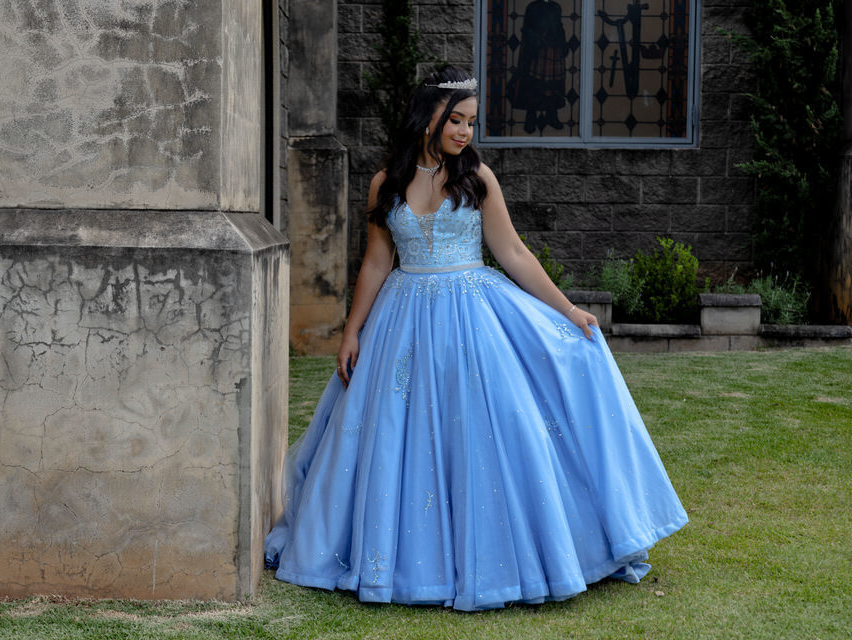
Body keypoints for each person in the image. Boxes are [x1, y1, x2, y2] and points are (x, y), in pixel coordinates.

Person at [264, 66, 688, 611]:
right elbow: (374, 262)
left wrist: (567, 308)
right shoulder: (385, 182)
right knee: (394, 433)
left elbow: (512, 253)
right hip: (403, 321)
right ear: (429, 116)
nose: (465, 131)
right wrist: (352, 332)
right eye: (456, 119)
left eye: (471, 122)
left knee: (488, 431)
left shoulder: (478, 178)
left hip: (473, 316)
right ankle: (397, 561)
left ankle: (509, 555)